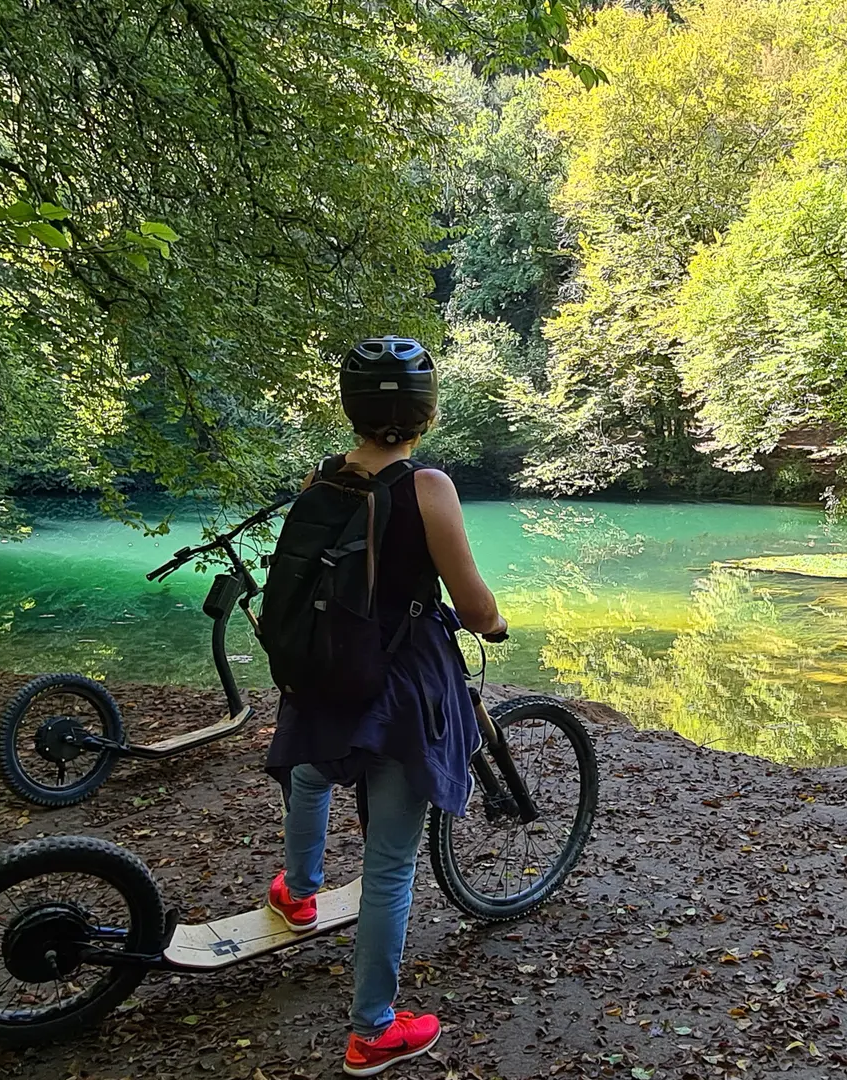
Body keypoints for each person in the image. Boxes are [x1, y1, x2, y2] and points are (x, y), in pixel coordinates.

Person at [263, 336, 507, 1077]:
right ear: (426, 414)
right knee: (391, 862)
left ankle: (298, 893)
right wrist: (494, 623)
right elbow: (470, 605)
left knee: (310, 774)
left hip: (325, 669)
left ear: (354, 411)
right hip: (400, 687)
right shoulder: (426, 487)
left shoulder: (326, 480)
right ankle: (373, 1030)